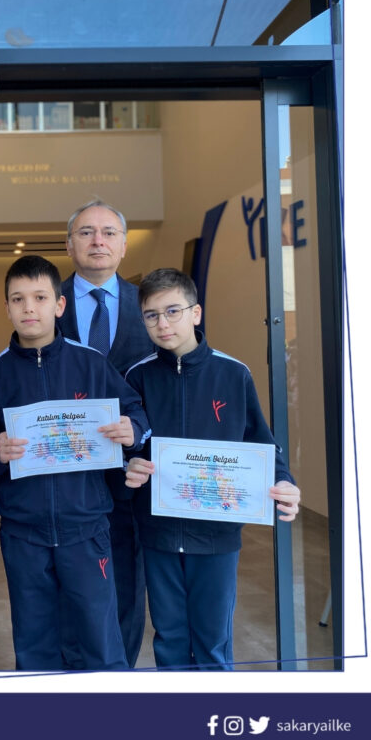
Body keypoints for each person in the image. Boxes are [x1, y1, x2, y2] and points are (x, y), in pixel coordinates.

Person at [123, 267, 301, 669]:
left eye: (173, 311)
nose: (163, 323)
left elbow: (260, 442)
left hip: (217, 535)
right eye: (151, 315)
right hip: (158, 533)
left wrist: (284, 481)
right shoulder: (137, 377)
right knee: (169, 639)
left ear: (196, 313)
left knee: (213, 642)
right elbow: (127, 448)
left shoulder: (233, 373)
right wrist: (127, 466)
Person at [0, 255, 150, 670]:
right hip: (23, 532)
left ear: (59, 305)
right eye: (18, 299)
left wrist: (132, 430)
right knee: (34, 642)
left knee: (100, 638)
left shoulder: (90, 363)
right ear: (7, 308)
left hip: (86, 527)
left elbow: (136, 412)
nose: (29, 308)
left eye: (40, 298)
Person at [57, 198, 154, 667]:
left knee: (126, 588)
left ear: (123, 246)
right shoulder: (44, 301)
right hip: (63, 475)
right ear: (69, 244)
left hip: (132, 474)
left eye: (109, 232)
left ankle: (118, 679)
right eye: (86, 232)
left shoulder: (151, 305)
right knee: (66, 592)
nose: (98, 241)